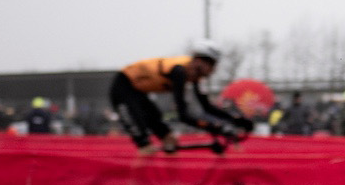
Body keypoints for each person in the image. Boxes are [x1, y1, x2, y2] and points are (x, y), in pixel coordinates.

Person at [107, 40, 250, 153]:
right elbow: (183, 115)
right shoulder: (179, 72)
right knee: (144, 143)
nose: (214, 70)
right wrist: (215, 127)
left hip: (138, 93)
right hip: (123, 88)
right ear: (199, 62)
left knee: (169, 140)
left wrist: (236, 120)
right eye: (212, 64)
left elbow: (207, 107)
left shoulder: (196, 78)